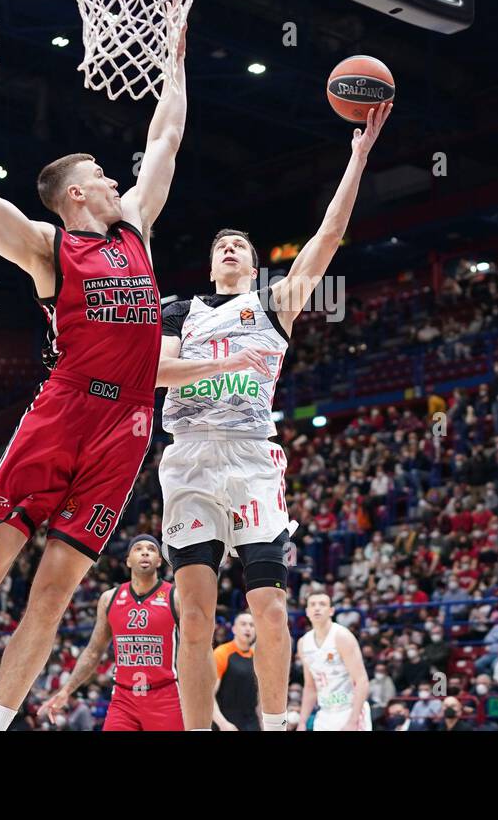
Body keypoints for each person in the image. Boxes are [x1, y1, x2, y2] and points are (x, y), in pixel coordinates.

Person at [0, 31, 186, 731]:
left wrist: (175, 61)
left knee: (53, 594)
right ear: (77, 193)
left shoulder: (133, 228)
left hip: (130, 425)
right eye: (105, 175)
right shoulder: (51, 248)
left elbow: (166, 137)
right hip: (65, 411)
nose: (118, 181)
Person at [158, 102, 392, 732]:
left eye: (240, 245)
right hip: (187, 458)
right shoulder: (181, 310)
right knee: (195, 612)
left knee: (268, 606)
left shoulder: (272, 305)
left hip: (250, 457)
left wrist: (357, 158)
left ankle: (271, 723)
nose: (230, 249)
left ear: (254, 265)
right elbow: (154, 374)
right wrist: (217, 367)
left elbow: (327, 239)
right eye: (221, 245)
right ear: (211, 264)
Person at [38, 536, 183, 731]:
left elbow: (194, 651)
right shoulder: (109, 598)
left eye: (151, 549)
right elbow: (93, 652)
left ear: (159, 561)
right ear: (128, 560)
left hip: (165, 696)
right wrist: (66, 691)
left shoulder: (175, 596)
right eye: (138, 548)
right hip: (124, 699)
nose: (145, 552)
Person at [297, 592, 370, 731]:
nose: (317, 608)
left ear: (331, 611)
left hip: (350, 710)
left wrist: (353, 721)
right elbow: (310, 687)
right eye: (312, 605)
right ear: (307, 611)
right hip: (325, 713)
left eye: (322, 604)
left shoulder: (342, 636)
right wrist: (302, 722)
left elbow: (362, 681)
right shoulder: (303, 643)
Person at [213, 612, 260, 731]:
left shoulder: (258, 658)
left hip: (252, 723)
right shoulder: (221, 653)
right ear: (234, 629)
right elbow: (208, 695)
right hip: (226, 721)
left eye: (252, 625)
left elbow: (260, 699)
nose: (248, 628)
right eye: (243, 624)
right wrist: (223, 724)